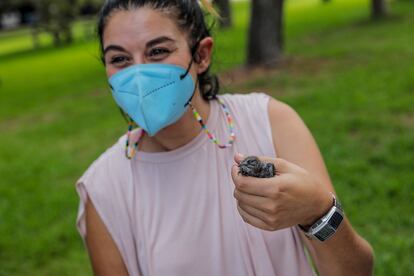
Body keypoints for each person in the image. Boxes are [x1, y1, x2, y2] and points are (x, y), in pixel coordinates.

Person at [75, 0, 374, 275]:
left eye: (157, 52)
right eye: (119, 59)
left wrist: (317, 210)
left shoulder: (270, 121)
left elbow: (356, 271)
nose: (138, 74)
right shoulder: (103, 189)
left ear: (201, 55)